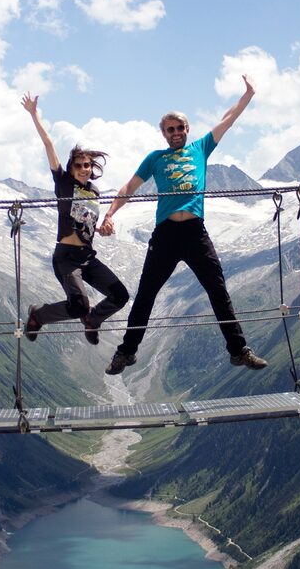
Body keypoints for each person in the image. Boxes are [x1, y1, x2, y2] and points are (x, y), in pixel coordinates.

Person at [97, 75, 268, 375]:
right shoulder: (155, 158)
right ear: (163, 133)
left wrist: (248, 95)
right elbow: (129, 187)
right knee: (146, 293)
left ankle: (239, 351)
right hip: (165, 234)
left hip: (195, 233)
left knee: (217, 290)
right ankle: (126, 352)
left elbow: (227, 120)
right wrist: (110, 214)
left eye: (180, 128)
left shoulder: (201, 147)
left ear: (187, 130)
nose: (175, 133)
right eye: (170, 129)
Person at [20, 93, 131, 345]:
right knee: (79, 305)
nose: (84, 168)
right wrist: (34, 115)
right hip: (66, 257)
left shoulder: (94, 192)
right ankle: (38, 316)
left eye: (88, 165)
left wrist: (104, 228)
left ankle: (93, 320)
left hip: (87, 256)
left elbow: (89, 226)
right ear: (71, 168)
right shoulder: (63, 183)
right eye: (79, 165)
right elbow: (49, 145)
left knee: (120, 295)